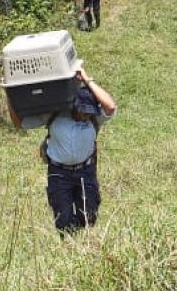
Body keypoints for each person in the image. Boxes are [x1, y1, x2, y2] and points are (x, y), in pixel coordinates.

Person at [17, 69, 117, 234]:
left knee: (88, 217)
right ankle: (68, 246)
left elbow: (111, 107)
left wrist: (86, 79)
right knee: (63, 220)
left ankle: (82, 248)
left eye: (88, 112)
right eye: (82, 111)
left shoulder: (94, 116)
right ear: (73, 106)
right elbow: (20, 123)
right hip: (59, 173)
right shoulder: (56, 115)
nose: (86, 115)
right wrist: (8, 93)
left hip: (86, 171)